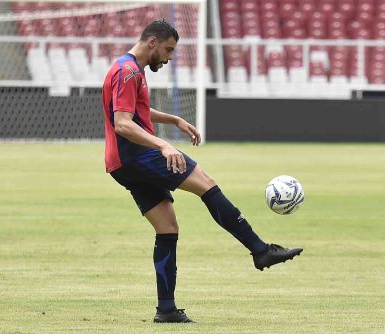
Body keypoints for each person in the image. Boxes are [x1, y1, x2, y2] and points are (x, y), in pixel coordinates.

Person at [101, 20, 303, 323]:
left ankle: (166, 310)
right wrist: (164, 146)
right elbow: (123, 123)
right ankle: (260, 250)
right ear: (153, 42)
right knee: (206, 183)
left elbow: (138, 111)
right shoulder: (128, 71)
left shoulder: (129, 69)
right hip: (136, 155)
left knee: (167, 229)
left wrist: (174, 120)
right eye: (168, 50)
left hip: (123, 163)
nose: (169, 57)